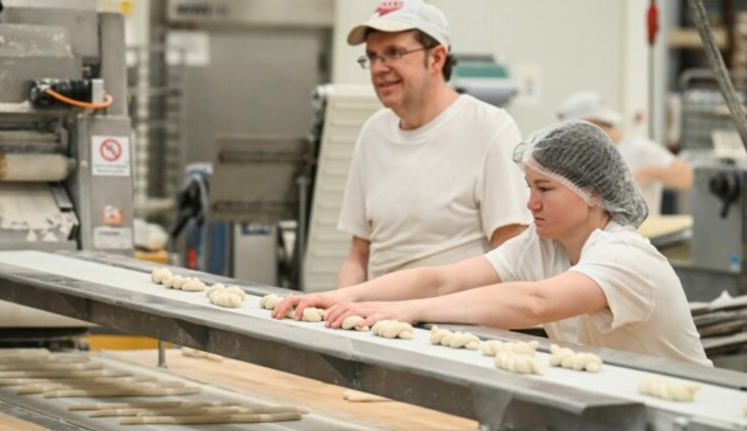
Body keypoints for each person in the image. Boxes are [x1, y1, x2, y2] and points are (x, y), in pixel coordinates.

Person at [275, 120, 711, 366]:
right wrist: (337, 297)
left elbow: (535, 303)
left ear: (593, 192)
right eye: (529, 187)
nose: (530, 203)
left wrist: (402, 312)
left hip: (692, 414)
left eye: (545, 189)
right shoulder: (545, 246)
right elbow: (442, 282)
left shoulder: (624, 256)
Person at [336, 0, 531, 287]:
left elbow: (512, 256)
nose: (378, 68)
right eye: (372, 56)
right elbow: (358, 255)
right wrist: (343, 311)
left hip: (456, 324)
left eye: (394, 53)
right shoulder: (373, 132)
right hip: (377, 319)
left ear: (437, 58)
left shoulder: (490, 129)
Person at [557, 91, 693, 216]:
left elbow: (688, 176)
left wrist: (649, 172)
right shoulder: (586, 154)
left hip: (640, 234)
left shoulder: (639, 148)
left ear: (591, 122)